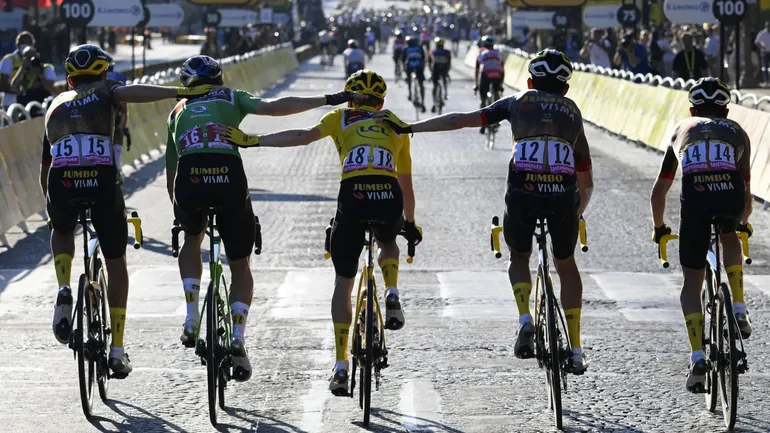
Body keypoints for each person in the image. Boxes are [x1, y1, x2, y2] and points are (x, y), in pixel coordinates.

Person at [374, 49, 594, 374]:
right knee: (566, 263)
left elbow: (458, 120)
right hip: (563, 196)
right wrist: (576, 214)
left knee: (519, 257)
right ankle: (575, 350)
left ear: (530, 81)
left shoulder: (517, 102)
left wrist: (408, 128)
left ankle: (525, 319)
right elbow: (587, 183)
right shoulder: (573, 113)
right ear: (565, 89)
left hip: (523, 192)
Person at [215, 70, 422, 396]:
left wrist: (254, 140)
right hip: (388, 195)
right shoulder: (395, 123)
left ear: (349, 97)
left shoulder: (339, 117)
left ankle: (340, 365)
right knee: (388, 242)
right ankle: (392, 291)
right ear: (382, 101)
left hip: (352, 198)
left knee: (344, 283)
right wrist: (410, 221)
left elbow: (301, 136)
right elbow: (406, 184)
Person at [166, 55, 360, 382]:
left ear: (186, 84)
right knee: (240, 263)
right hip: (228, 176)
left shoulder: (176, 111)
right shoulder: (230, 96)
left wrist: (179, 210)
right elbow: (277, 106)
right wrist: (330, 99)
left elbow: (172, 171)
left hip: (189, 178)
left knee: (191, 238)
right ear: (219, 79)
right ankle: (238, 335)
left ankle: (190, 316)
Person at [45, 44, 213, 377]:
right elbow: (133, 92)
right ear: (105, 74)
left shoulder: (54, 104)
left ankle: (64, 286)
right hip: (100, 179)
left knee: (61, 229)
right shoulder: (108, 90)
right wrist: (179, 91)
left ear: (69, 80)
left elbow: (44, 166)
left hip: (60, 178)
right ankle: (118, 349)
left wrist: (51, 206)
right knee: (116, 260)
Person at [650, 77, 753, 393]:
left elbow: (660, 191)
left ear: (692, 108)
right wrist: (744, 222)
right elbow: (746, 192)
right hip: (729, 195)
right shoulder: (737, 132)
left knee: (691, 282)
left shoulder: (680, 130)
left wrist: (660, 228)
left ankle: (697, 355)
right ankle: (738, 306)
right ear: (726, 108)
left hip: (695, 200)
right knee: (730, 235)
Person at [475, 35, 504, 134]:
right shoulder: (498, 53)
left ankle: (483, 124)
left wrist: (476, 84)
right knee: (496, 92)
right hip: (498, 75)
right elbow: (502, 68)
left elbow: (477, 69)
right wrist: (501, 84)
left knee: (483, 98)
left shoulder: (481, 52)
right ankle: (497, 115)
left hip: (486, 74)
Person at [106, 56, 130, 175]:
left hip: (98, 112)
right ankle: (117, 166)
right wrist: (125, 124)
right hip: (116, 111)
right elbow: (123, 102)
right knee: (118, 133)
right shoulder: (120, 77)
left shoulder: (97, 78)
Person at [0, 31, 35, 109]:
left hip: (28, 102)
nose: (27, 45)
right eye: (23, 43)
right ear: (17, 45)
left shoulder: (34, 59)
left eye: (29, 43)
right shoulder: (9, 60)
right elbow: (2, 85)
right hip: (11, 103)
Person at [403, 35, 426, 111]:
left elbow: (403, 60)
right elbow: (423, 59)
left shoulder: (406, 49)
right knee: (421, 84)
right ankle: (423, 101)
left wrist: (404, 70)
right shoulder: (420, 48)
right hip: (419, 67)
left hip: (410, 67)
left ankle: (410, 93)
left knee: (409, 79)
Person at [429, 37, 451, 112]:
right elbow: (449, 63)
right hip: (444, 70)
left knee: (435, 87)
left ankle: (434, 102)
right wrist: (447, 72)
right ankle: (445, 95)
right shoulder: (447, 52)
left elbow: (430, 63)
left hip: (435, 71)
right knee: (444, 81)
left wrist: (431, 72)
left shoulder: (433, 51)